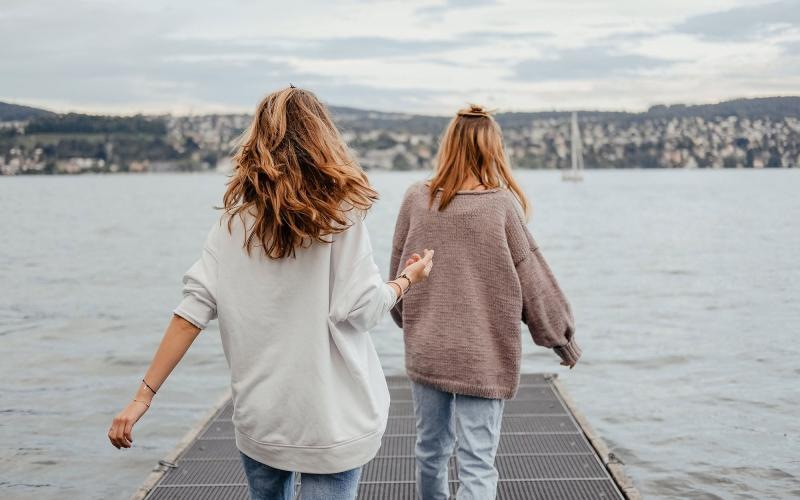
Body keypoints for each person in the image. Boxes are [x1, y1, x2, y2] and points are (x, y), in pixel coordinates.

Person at [107, 86, 434, 500]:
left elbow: (190, 313)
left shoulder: (233, 223)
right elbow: (362, 310)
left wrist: (142, 397)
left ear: (258, 142)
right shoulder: (343, 217)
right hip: (332, 421)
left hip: (262, 420)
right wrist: (407, 280)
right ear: (323, 139)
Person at [389, 104, 580, 500]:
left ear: (449, 146)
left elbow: (398, 273)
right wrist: (561, 338)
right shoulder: (501, 206)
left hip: (428, 348)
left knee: (430, 452)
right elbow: (535, 281)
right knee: (477, 463)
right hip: (482, 355)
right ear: (494, 150)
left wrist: (409, 319)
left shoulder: (415, 198)